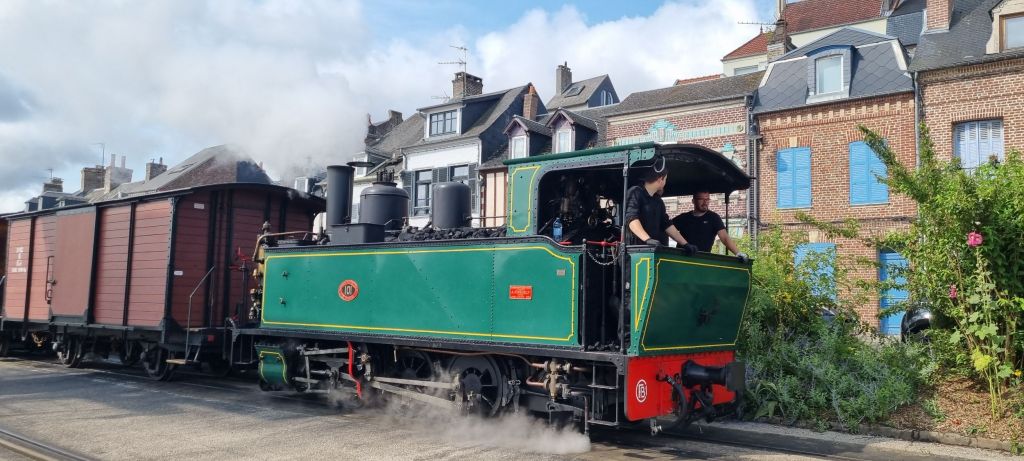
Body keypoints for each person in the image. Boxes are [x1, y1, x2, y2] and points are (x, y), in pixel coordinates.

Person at [624, 168, 699, 255]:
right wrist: (648, 240)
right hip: (635, 251)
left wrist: (685, 244)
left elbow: (666, 224)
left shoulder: (658, 201)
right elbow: (631, 219)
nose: (665, 182)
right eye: (665, 179)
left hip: (651, 251)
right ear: (660, 179)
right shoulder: (635, 192)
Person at [671, 191, 748, 262]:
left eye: (707, 199)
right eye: (701, 199)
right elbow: (667, 228)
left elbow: (724, 237)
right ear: (693, 201)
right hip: (681, 259)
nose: (705, 202)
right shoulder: (683, 218)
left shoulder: (713, 218)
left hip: (703, 260)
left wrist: (738, 253)